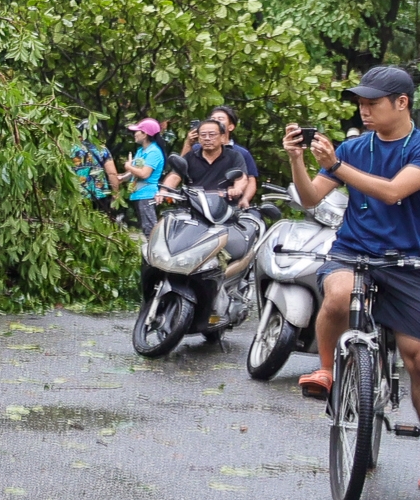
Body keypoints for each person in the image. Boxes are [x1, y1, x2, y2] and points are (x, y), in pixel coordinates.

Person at [286, 66, 420, 403]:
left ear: (402, 102)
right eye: (360, 102)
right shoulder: (353, 148)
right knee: (338, 296)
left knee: (416, 358)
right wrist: (297, 161)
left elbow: (393, 192)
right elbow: (310, 198)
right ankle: (326, 370)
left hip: (408, 259)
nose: (363, 109)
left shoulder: (416, 147)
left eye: (372, 103)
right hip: (352, 253)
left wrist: (335, 166)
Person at [161, 113, 260, 208]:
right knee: (166, 223)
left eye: (212, 135)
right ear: (198, 138)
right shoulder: (190, 156)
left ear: (222, 137)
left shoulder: (234, 156)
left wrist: (237, 189)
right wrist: (164, 190)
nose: (207, 138)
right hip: (193, 206)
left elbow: (241, 178)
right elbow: (175, 175)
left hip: (223, 207)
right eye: (203, 135)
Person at [110, 119, 167, 234]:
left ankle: (155, 250)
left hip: (147, 194)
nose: (134, 134)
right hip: (138, 194)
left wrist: (128, 167)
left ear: (145, 134)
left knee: (150, 228)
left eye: (137, 131)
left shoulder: (153, 152)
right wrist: (122, 177)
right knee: (145, 227)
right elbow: (135, 171)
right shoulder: (142, 150)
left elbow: (144, 174)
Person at [70, 120, 115, 216]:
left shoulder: (71, 149)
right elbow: (112, 173)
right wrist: (116, 194)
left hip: (78, 193)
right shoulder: (102, 149)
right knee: (101, 222)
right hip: (100, 193)